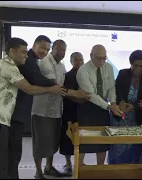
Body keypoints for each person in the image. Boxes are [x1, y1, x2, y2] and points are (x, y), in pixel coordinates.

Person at [0, 38, 67, 179]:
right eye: (23, 52)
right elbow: (28, 88)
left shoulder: (9, 64)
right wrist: (52, 88)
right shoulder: (8, 66)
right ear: (12, 51)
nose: (26, 55)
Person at [31, 40, 90, 179]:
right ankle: (38, 172)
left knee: (52, 141)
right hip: (42, 110)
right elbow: (55, 86)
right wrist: (76, 94)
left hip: (56, 110)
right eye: (59, 50)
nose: (61, 53)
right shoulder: (45, 62)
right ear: (53, 49)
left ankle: (49, 168)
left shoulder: (61, 66)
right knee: (39, 143)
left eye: (64, 50)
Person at [8, 35, 56, 179]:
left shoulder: (32, 60)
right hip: (13, 112)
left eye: (47, 49)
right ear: (34, 46)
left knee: (13, 151)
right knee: (12, 152)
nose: (44, 52)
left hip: (17, 111)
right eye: (42, 47)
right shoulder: (28, 61)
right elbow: (36, 81)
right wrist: (55, 85)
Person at [76, 44, 123, 165]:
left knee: (103, 141)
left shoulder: (108, 67)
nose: (102, 61)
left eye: (104, 58)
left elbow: (112, 87)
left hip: (103, 108)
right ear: (91, 55)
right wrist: (109, 106)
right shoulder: (83, 70)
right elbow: (90, 95)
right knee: (83, 141)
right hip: (87, 107)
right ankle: (79, 169)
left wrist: (113, 103)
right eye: (99, 58)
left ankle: (100, 169)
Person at [108, 50, 142, 164]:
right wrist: (122, 101)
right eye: (135, 65)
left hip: (136, 118)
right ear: (131, 64)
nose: (138, 68)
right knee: (117, 146)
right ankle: (115, 171)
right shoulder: (123, 73)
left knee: (132, 148)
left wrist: (133, 106)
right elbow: (117, 91)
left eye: (141, 66)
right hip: (119, 116)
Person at [59, 52, 85, 176]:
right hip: (69, 111)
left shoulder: (86, 75)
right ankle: (68, 164)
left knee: (82, 138)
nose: (79, 62)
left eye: (81, 60)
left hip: (83, 112)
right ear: (71, 61)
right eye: (76, 60)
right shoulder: (67, 76)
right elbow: (66, 93)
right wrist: (80, 98)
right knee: (67, 139)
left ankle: (80, 163)